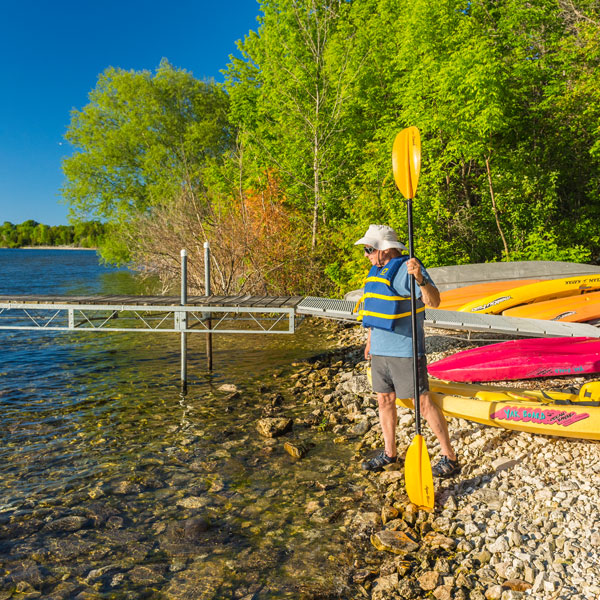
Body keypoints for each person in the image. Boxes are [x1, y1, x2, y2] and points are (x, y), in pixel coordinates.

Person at [354, 224, 460, 477]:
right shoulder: (376, 270)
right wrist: (370, 341)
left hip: (406, 350)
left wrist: (420, 279)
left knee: (422, 402)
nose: (366, 254)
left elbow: (434, 301)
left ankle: (449, 456)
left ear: (385, 249)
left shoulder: (408, 269)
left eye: (370, 249)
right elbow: (373, 309)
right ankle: (390, 453)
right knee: (384, 400)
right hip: (380, 349)